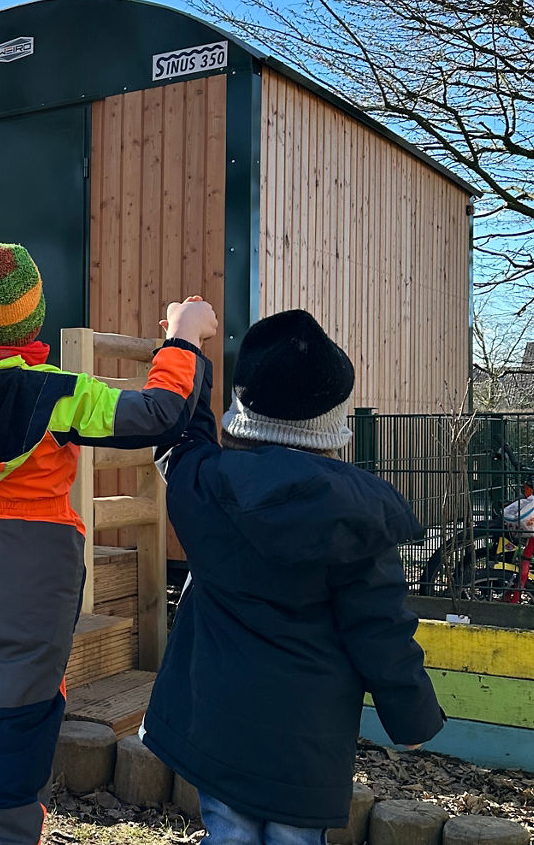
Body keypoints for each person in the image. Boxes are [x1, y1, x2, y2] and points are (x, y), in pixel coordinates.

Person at [0, 160, 218, 845]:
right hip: (36, 568)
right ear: (34, 314)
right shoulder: (63, 392)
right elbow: (160, 413)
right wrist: (182, 338)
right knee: (21, 710)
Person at [141, 309, 445, 841]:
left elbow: (179, 433)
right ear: (330, 420)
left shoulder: (207, 486)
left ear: (244, 408)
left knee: (228, 831)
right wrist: (410, 715)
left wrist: (185, 343)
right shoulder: (353, 518)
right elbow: (380, 628)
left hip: (217, 721)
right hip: (306, 739)